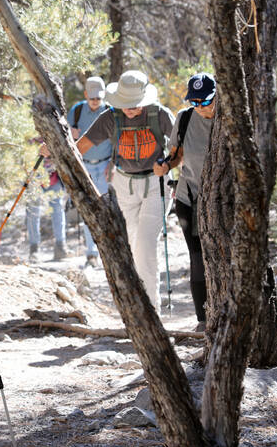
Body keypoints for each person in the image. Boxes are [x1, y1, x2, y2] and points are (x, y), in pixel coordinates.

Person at [76, 69, 174, 311]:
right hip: (123, 185)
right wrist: (55, 150)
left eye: (136, 104)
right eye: (127, 104)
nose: (131, 109)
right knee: (132, 246)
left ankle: (152, 312)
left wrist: (169, 163)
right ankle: (137, 308)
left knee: (146, 245)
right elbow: (83, 146)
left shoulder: (159, 114)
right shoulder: (111, 117)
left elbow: (179, 146)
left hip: (155, 184)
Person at [160, 72, 216, 327]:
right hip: (189, 199)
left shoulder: (231, 119)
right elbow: (176, 155)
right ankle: (203, 320)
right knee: (197, 257)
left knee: (222, 256)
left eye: (205, 102)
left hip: (221, 201)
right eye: (195, 102)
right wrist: (165, 165)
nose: (200, 107)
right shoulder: (184, 119)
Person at [66, 75, 113, 267]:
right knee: (89, 209)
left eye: (98, 98)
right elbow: (67, 133)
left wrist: (113, 163)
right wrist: (71, 133)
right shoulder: (77, 111)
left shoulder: (110, 111)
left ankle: (109, 251)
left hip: (105, 166)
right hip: (84, 166)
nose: (95, 101)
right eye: (92, 97)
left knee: (108, 209)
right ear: (86, 94)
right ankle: (91, 253)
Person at [25, 147, 67, 262]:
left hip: (54, 178)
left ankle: (61, 245)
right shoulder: (31, 135)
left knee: (58, 210)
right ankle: (34, 249)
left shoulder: (54, 130)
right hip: (34, 178)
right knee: (33, 212)